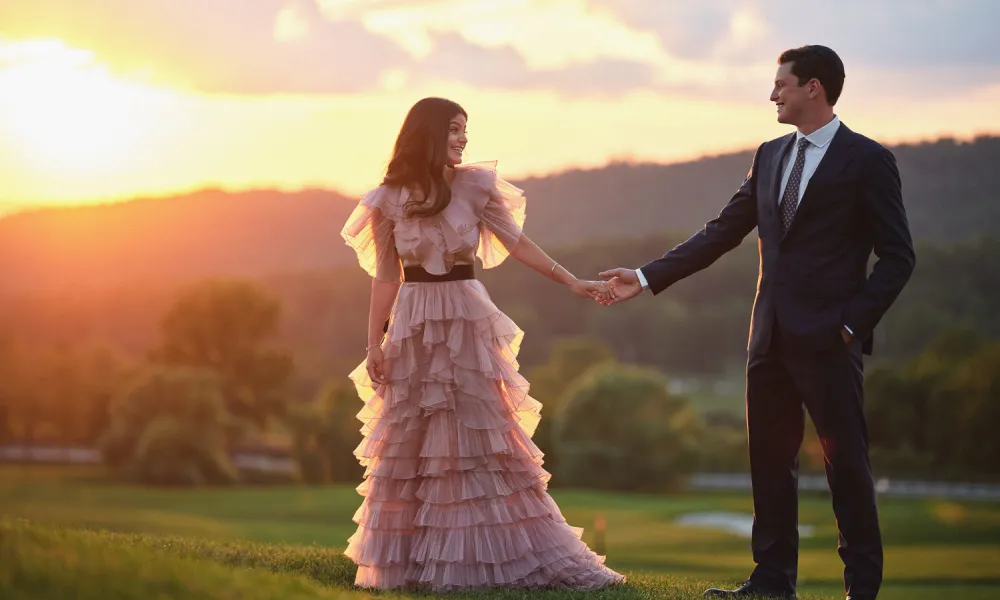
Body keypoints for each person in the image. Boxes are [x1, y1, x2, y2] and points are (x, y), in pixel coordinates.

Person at [600, 46, 915, 600]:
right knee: (770, 465)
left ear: (813, 88)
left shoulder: (868, 160)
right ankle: (772, 584)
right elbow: (721, 231)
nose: (772, 95)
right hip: (767, 337)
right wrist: (647, 276)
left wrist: (850, 327)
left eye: (781, 85)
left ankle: (860, 590)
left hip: (829, 342)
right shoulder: (769, 156)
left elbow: (898, 256)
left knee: (847, 469)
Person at [340, 97, 625, 592]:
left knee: (478, 437)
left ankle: (497, 559)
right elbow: (386, 275)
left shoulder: (476, 185)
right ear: (428, 132)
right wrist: (373, 343)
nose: (463, 138)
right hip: (412, 320)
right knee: (412, 440)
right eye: (454, 129)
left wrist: (572, 281)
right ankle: (411, 564)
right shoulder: (385, 198)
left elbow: (517, 243)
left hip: (466, 317)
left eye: (465, 130)